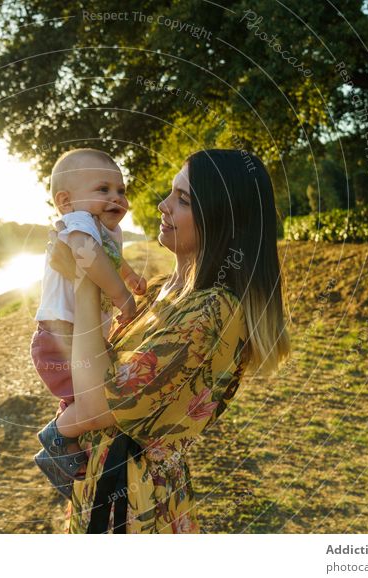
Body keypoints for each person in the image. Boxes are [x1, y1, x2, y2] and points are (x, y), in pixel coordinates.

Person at [41, 149, 291, 533]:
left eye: (182, 199)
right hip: (100, 486)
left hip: (136, 507)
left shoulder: (212, 313)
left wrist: (82, 280)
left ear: (221, 218)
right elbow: (95, 360)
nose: (162, 204)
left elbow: (95, 405)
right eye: (170, 192)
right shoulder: (164, 292)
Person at [31, 148, 147, 488]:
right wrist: (120, 295)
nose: (116, 198)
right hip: (59, 339)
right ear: (66, 201)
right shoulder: (78, 221)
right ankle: (56, 440)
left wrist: (129, 278)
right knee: (92, 403)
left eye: (121, 191)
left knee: (85, 398)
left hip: (76, 335)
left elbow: (108, 258)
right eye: (103, 190)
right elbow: (88, 254)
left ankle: (67, 443)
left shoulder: (101, 226)